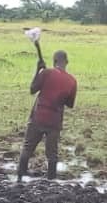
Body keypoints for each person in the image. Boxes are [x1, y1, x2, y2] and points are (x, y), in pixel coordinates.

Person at [17, 50, 77, 182]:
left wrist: (38, 71)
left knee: (27, 147)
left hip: (38, 117)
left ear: (54, 61)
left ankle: (20, 178)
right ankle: (51, 181)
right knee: (52, 154)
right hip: (55, 121)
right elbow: (70, 104)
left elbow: (32, 89)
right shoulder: (72, 81)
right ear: (66, 62)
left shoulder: (47, 73)